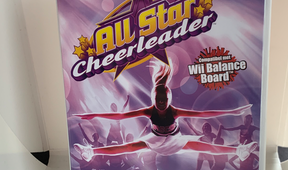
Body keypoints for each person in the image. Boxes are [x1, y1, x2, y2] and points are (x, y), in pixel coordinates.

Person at [74, 61, 257, 162]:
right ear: (154, 99)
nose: (161, 104)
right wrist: (94, 115)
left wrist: (232, 112)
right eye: (158, 101)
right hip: (155, 139)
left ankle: (239, 150)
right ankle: (91, 152)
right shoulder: (149, 111)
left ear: (168, 100)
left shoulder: (174, 111)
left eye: (164, 101)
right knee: (127, 148)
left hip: (174, 139)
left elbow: (203, 114)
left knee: (204, 147)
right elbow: (120, 116)